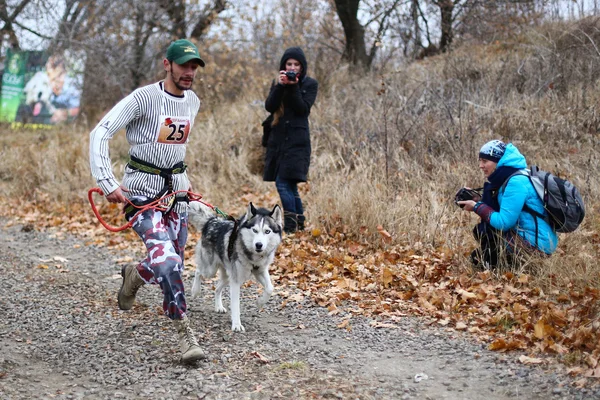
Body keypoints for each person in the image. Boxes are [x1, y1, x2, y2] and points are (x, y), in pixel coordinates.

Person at [89, 39, 206, 364]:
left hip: (176, 196)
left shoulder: (192, 102)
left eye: (194, 66)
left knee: (171, 263)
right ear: (167, 64)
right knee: (167, 263)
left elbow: (174, 147)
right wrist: (107, 181)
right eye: (183, 65)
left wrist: (184, 182)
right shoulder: (144, 98)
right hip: (140, 195)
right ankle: (186, 335)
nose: (189, 72)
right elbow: (100, 133)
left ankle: (135, 275)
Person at [457, 140, 558, 269]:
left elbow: (503, 223)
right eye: (480, 161)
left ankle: (526, 267)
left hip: (537, 244)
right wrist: (478, 200)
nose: (480, 165)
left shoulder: (516, 182)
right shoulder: (514, 174)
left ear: (499, 161)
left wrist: (476, 207)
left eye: (485, 161)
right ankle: (512, 266)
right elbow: (507, 207)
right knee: (481, 236)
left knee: (480, 255)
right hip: (537, 239)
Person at [263, 46, 318, 233]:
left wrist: (293, 87)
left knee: (283, 182)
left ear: (302, 67)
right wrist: (280, 86)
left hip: (297, 142)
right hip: (278, 141)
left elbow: (303, 109)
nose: (293, 68)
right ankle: (299, 224)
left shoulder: (310, 84)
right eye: (289, 64)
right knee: (290, 185)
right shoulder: (278, 82)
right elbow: (270, 106)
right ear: (283, 65)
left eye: (296, 64)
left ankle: (290, 227)